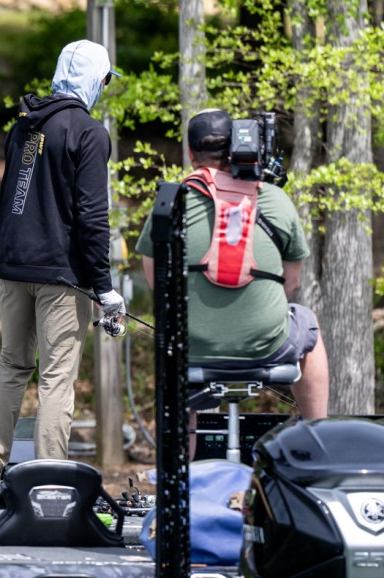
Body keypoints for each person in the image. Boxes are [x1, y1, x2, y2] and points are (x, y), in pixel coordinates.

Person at [0, 40, 126, 503]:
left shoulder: (24, 125)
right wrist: (105, 289)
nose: (105, 87)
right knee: (56, 377)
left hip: (13, 266)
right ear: (95, 80)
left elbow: (8, 201)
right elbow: (92, 216)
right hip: (62, 275)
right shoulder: (89, 133)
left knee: (12, 364)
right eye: (105, 80)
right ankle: (49, 481)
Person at [135, 108, 329, 431]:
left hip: (193, 346)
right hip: (266, 343)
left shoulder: (170, 203)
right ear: (237, 147)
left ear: (190, 153)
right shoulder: (274, 199)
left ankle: (184, 458)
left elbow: (158, 282)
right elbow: (292, 282)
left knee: (177, 368)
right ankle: (318, 432)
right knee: (308, 324)